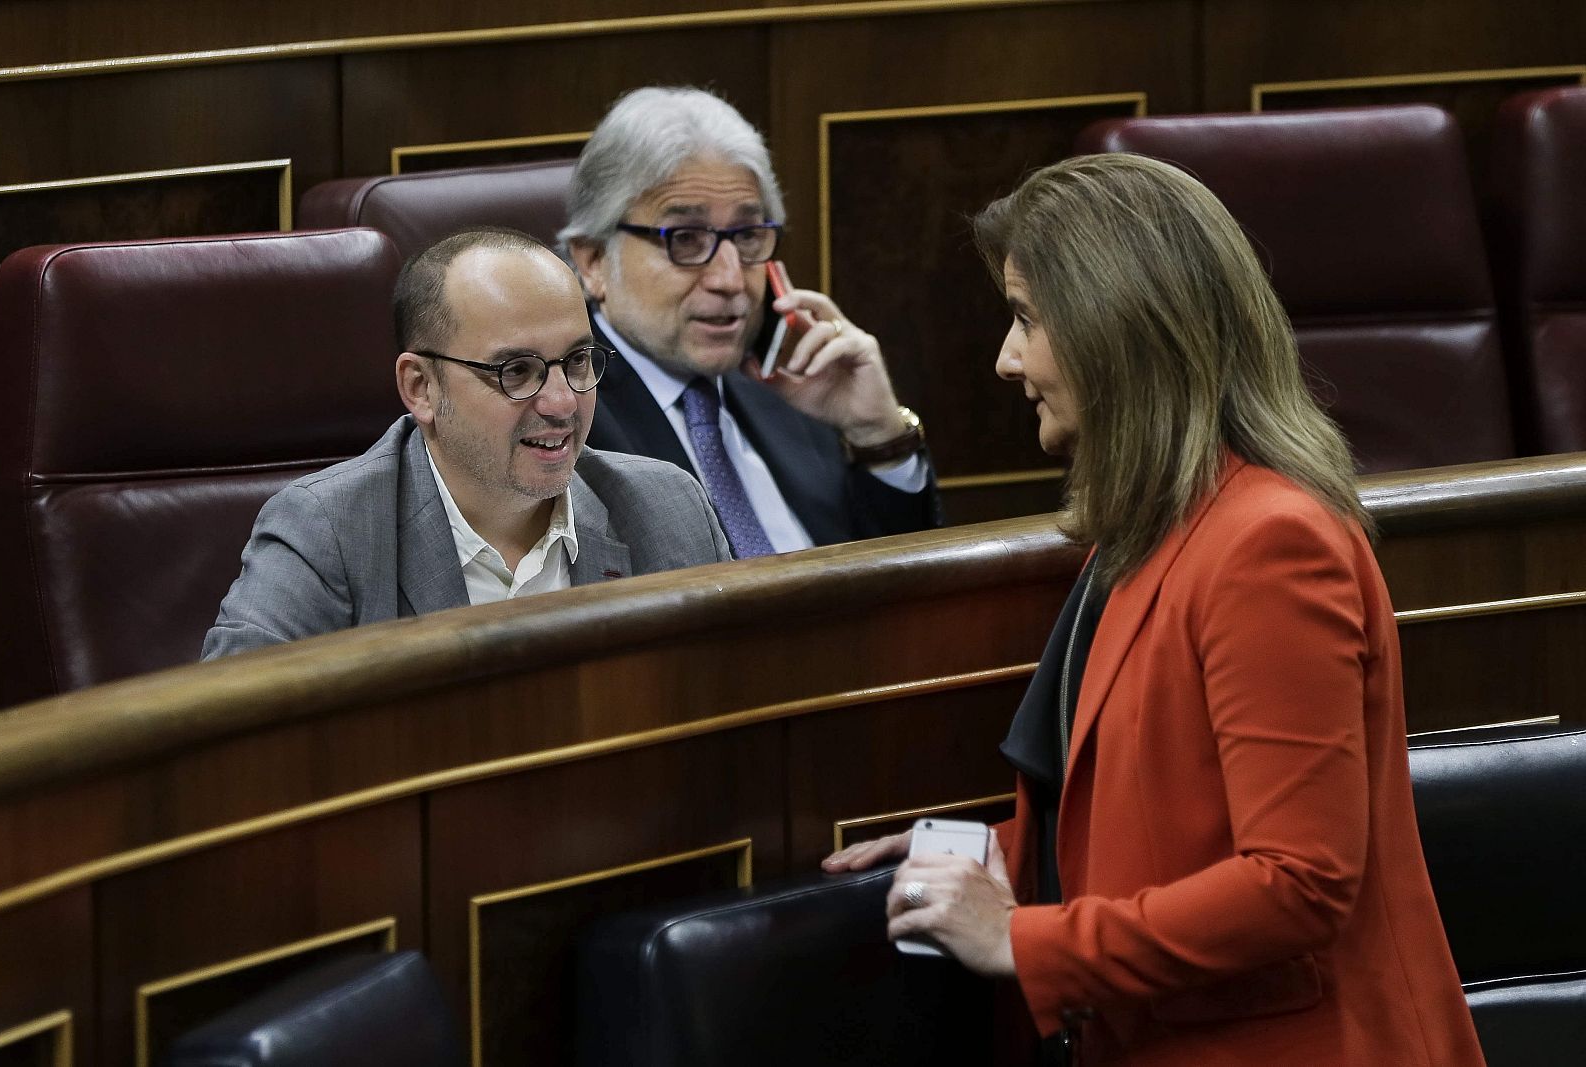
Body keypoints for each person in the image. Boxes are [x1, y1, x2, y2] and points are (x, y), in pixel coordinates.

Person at [823, 155, 1485, 1065]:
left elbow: (1297, 882)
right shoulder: (1154, 522)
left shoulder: (1269, 543)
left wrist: (1017, 937)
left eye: (1025, 319)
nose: (1006, 359)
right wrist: (999, 854)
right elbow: (1164, 805)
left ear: (1114, 331)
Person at [203, 227, 730, 658]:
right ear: (421, 388)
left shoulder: (668, 510)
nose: (562, 402)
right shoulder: (329, 536)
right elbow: (229, 736)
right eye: (516, 371)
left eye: (577, 362)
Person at [560, 86, 940, 557]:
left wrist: (878, 438)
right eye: (685, 238)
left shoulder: (795, 382)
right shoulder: (567, 417)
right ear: (594, 260)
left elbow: (901, 582)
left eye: (746, 236)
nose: (730, 279)